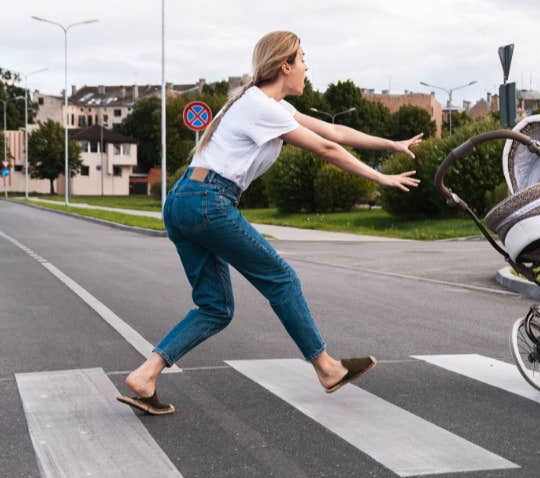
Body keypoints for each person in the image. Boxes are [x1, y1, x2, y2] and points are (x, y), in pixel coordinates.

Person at [117, 30, 421, 415]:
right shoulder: (260, 106)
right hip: (210, 200)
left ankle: (145, 375)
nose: (308, 68)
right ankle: (326, 368)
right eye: (304, 59)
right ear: (285, 65)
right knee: (282, 278)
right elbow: (327, 148)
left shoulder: (264, 105)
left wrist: (393, 145)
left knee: (214, 308)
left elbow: (336, 131)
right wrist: (381, 178)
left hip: (184, 201)